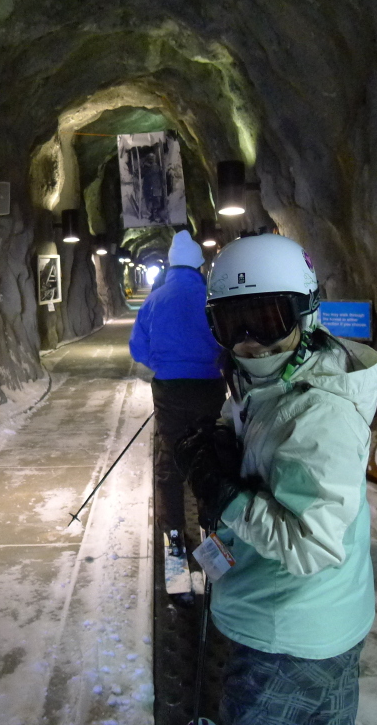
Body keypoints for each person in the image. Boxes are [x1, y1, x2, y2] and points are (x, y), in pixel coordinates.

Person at [175, 233, 377, 725]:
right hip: (312, 619)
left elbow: (310, 546)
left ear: (304, 314)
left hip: (286, 635)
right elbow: (253, 417)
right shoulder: (275, 377)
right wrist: (223, 439)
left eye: (268, 320)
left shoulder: (319, 413)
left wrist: (224, 495)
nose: (250, 339)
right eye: (233, 322)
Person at [128, 230, 226, 601]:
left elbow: (139, 348)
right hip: (208, 386)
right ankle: (210, 529)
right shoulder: (210, 297)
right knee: (209, 453)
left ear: (170, 263)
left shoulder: (155, 299)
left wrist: (163, 364)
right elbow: (226, 340)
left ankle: (173, 536)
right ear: (200, 264)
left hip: (170, 387)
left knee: (171, 456)